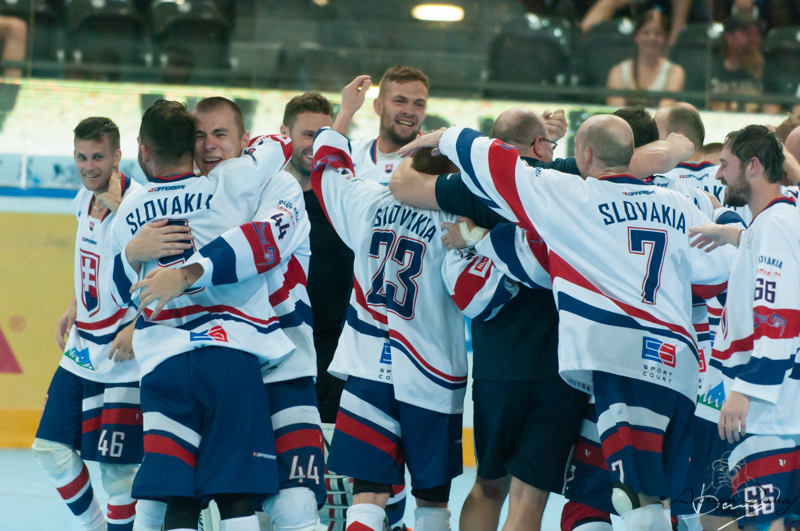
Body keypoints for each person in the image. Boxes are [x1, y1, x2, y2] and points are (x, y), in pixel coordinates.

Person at [399, 115, 735, 531]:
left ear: (586, 155)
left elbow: (519, 217)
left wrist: (452, 143)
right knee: (661, 500)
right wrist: (730, 222)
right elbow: (720, 274)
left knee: (624, 501)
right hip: (678, 366)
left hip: (610, 364)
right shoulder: (683, 202)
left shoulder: (574, 195)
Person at [390, 107, 588, 531]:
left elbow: (403, 185)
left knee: (487, 486)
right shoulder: (566, 179)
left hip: (498, 365)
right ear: (540, 145)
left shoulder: (472, 187)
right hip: (561, 368)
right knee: (529, 495)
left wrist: (419, 147)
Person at [134, 96, 325, 531]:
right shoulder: (189, 196)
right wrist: (131, 252)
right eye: (199, 135)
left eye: (220, 134)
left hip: (282, 365)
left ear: (244, 141)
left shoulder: (279, 186)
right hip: (215, 364)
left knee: (293, 505)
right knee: (166, 498)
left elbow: (262, 242)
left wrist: (187, 274)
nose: (209, 145)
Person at [311, 127, 479, 531]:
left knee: (367, 497)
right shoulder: (458, 225)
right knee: (433, 502)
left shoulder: (368, 201)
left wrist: (340, 121)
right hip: (433, 374)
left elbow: (326, 169)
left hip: (369, 367)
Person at [31, 117, 167, 531]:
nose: (89, 166)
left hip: (123, 355)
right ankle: (94, 526)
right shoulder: (82, 199)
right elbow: (93, 260)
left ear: (117, 156)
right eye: (82, 157)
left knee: (118, 472)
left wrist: (138, 326)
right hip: (81, 348)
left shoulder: (141, 203)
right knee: (49, 448)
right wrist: (76, 303)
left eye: (98, 157)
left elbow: (163, 273)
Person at [686, 125, 800, 531]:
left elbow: (780, 317)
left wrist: (748, 390)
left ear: (753, 166)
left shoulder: (775, 225)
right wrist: (737, 235)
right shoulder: (770, 222)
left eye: (724, 164)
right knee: (713, 513)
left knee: (759, 522)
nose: (718, 174)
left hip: (758, 407)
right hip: (737, 396)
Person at [333, 66, 429, 185]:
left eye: (419, 104)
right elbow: (325, 178)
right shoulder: (351, 154)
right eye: (400, 101)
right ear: (378, 106)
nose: (409, 111)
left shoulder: (436, 159)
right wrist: (345, 112)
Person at [606, 9, 685, 109]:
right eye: (646, 33)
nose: (651, 38)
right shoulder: (617, 72)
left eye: (657, 34)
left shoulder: (675, 72)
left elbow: (665, 113)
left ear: (665, 38)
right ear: (636, 36)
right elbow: (616, 111)